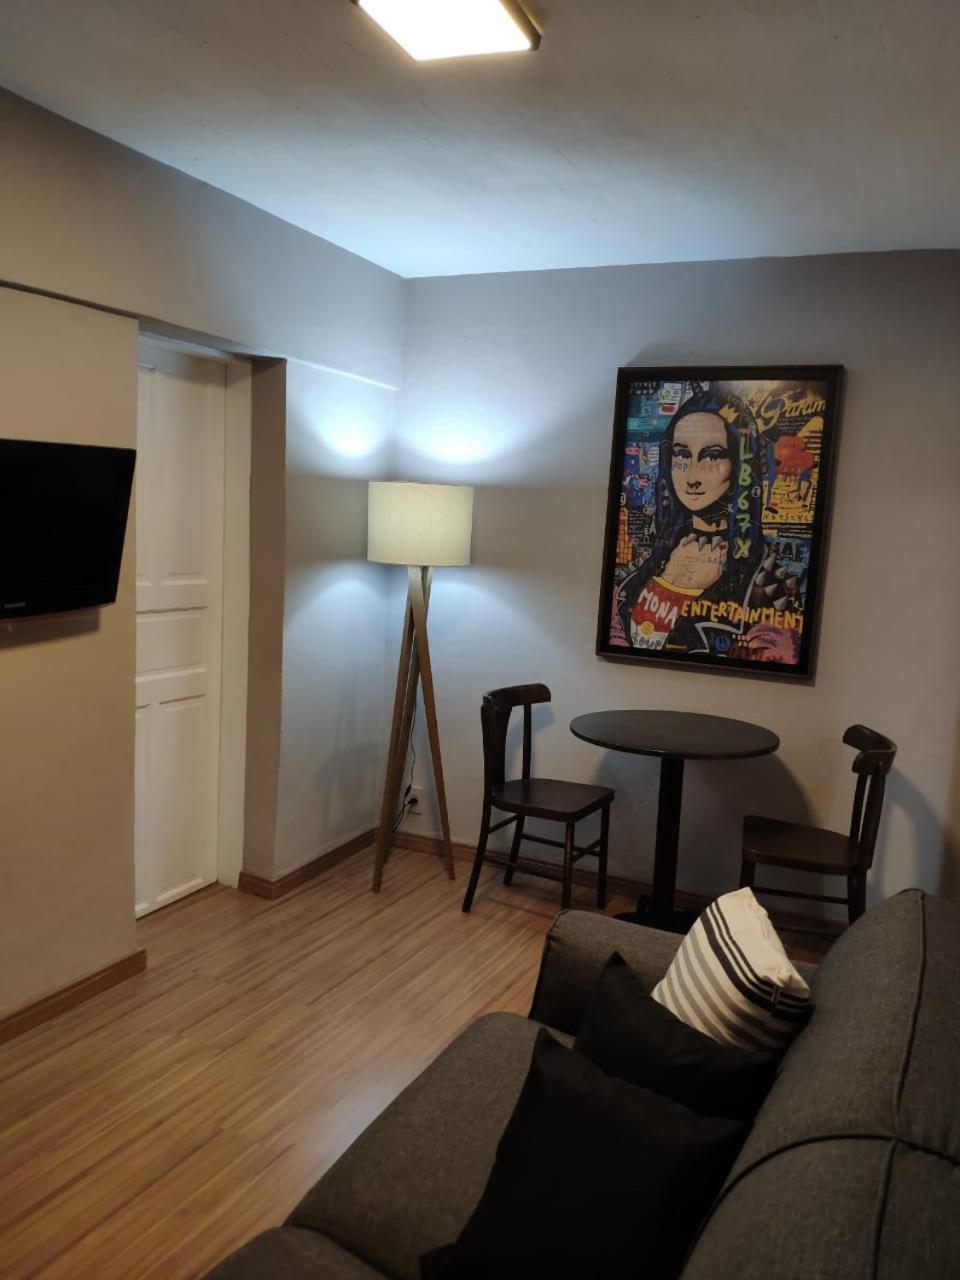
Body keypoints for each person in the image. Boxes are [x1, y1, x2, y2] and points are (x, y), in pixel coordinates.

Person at [617, 387, 764, 655]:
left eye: (712, 456)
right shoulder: (658, 555)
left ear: (739, 465)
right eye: (682, 455)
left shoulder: (762, 574)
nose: (692, 477)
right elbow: (631, 643)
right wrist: (669, 583)